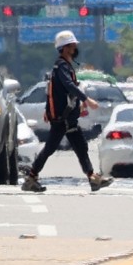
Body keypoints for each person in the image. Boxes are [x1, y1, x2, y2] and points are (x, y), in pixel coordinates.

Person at [21, 30, 113, 193]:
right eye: (72, 46)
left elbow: (57, 91)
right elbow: (69, 85)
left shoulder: (63, 66)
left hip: (67, 117)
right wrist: (86, 99)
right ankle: (31, 178)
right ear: (64, 48)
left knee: (80, 146)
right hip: (62, 118)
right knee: (50, 148)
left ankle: (92, 177)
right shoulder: (62, 66)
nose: (75, 48)